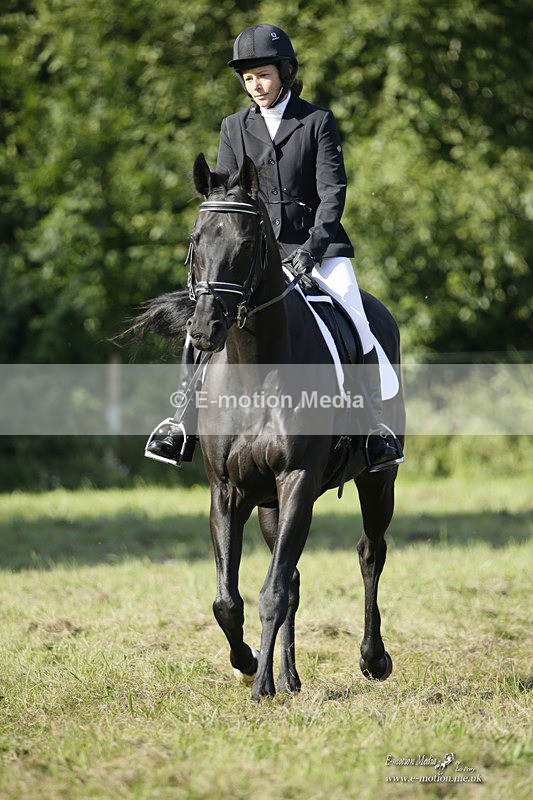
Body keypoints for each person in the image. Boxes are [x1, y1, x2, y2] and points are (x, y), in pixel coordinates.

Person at [147, 23, 403, 471]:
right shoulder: (234, 126)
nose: (255, 85)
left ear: (285, 71)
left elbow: (333, 194)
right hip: (256, 257)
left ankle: (373, 426)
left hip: (319, 251)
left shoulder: (316, 121)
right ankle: (182, 419)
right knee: (203, 319)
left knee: (357, 320)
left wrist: (313, 247)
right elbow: (228, 196)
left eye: (262, 75)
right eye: (248, 78)